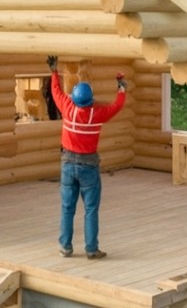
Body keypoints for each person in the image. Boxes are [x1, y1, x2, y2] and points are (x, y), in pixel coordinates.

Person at [48, 56, 127, 259]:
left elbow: (55, 92)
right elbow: (117, 106)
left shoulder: (67, 108)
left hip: (67, 164)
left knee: (67, 208)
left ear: (74, 98)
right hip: (89, 166)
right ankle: (91, 249)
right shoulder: (97, 115)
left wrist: (54, 71)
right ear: (91, 100)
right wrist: (121, 88)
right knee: (91, 209)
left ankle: (65, 247)